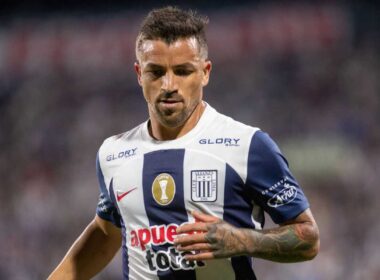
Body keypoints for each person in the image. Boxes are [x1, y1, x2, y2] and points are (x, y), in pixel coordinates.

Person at [48, 6, 319, 280]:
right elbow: (107, 233)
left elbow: (308, 238)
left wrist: (241, 240)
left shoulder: (248, 145)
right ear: (139, 74)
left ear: (205, 72)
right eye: (156, 72)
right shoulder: (113, 154)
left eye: (182, 71)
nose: (169, 84)